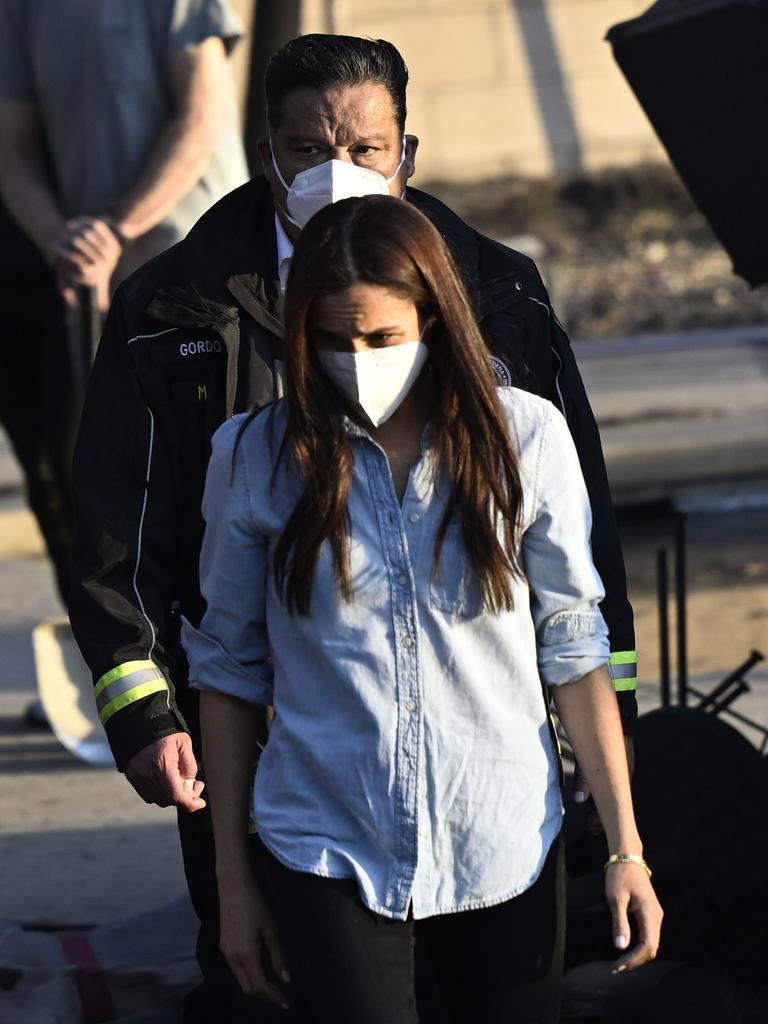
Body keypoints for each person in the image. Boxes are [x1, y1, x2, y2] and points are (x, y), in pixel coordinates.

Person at [69, 33, 638, 1023]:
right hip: (269, 773)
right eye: (309, 146)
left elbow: (578, 583)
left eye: (366, 148)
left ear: (405, 154)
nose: (340, 171)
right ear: (264, 151)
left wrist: (613, 778)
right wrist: (146, 711)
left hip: (488, 795)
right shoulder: (174, 309)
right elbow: (118, 533)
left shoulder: (499, 295)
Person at [183, 194, 662, 1024]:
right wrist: (233, 883)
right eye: (332, 341)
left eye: (382, 337)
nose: (358, 359)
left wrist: (626, 848)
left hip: (504, 843)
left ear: (434, 321)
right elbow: (227, 672)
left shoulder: (527, 441)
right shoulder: (255, 457)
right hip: (326, 849)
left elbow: (575, 644)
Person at [0, 0, 248, 631]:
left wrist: (115, 225)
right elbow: (11, 151)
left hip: (208, 284)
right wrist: (62, 238)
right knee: (129, 490)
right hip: (108, 294)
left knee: (223, 483)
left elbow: (203, 119)